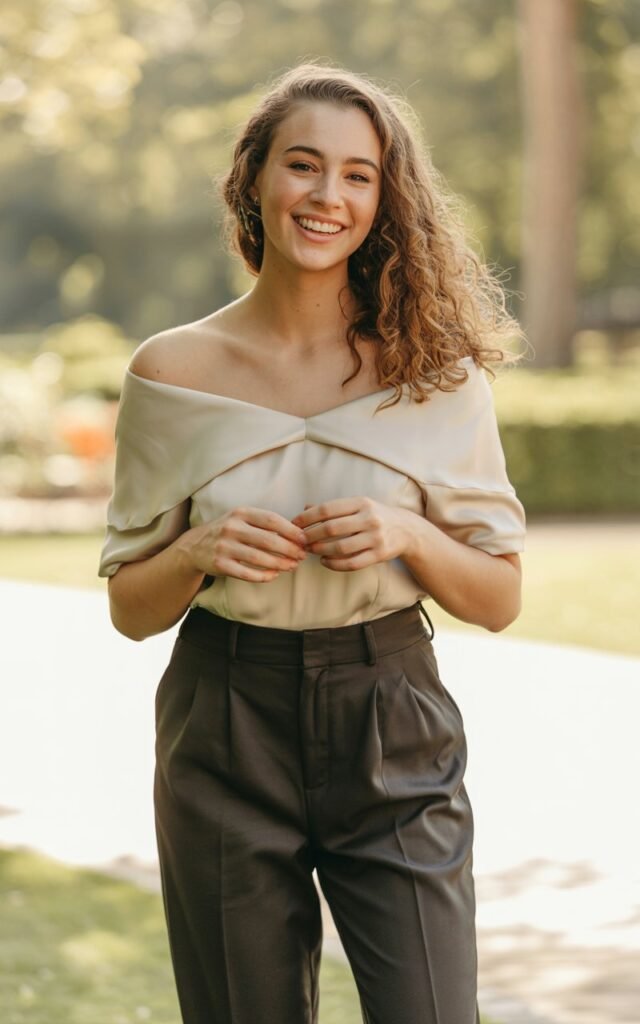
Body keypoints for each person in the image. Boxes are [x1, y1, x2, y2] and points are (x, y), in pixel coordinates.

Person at [98, 60, 526, 1024]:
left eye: (358, 174)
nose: (328, 194)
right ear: (254, 177)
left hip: (391, 711)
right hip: (223, 717)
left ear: (383, 200)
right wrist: (196, 552)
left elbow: (500, 597)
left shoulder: (435, 375)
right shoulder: (172, 373)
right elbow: (129, 608)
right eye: (303, 164)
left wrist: (409, 532)